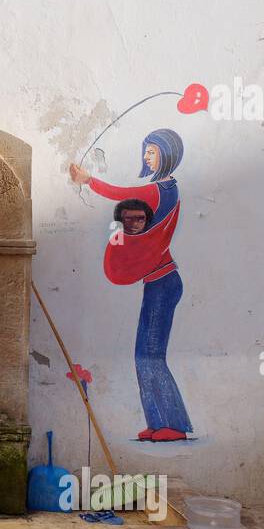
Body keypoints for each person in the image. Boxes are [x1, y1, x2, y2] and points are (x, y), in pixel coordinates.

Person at [70, 129, 193, 442]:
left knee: (150, 355)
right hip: (158, 282)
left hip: (163, 282)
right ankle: (158, 423)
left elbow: (120, 194)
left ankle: (173, 425)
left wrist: (88, 180)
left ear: (168, 155)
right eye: (146, 151)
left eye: (153, 152)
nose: (148, 157)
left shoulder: (160, 190)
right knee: (144, 354)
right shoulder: (166, 190)